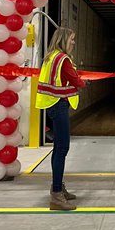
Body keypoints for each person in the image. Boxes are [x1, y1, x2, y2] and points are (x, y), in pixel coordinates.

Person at [35, 27, 86, 211]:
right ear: (63, 40)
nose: (73, 42)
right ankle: (56, 194)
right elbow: (76, 81)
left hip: (51, 104)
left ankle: (57, 187)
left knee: (58, 148)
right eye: (72, 39)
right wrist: (83, 82)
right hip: (58, 105)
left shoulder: (51, 57)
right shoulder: (62, 59)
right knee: (62, 147)